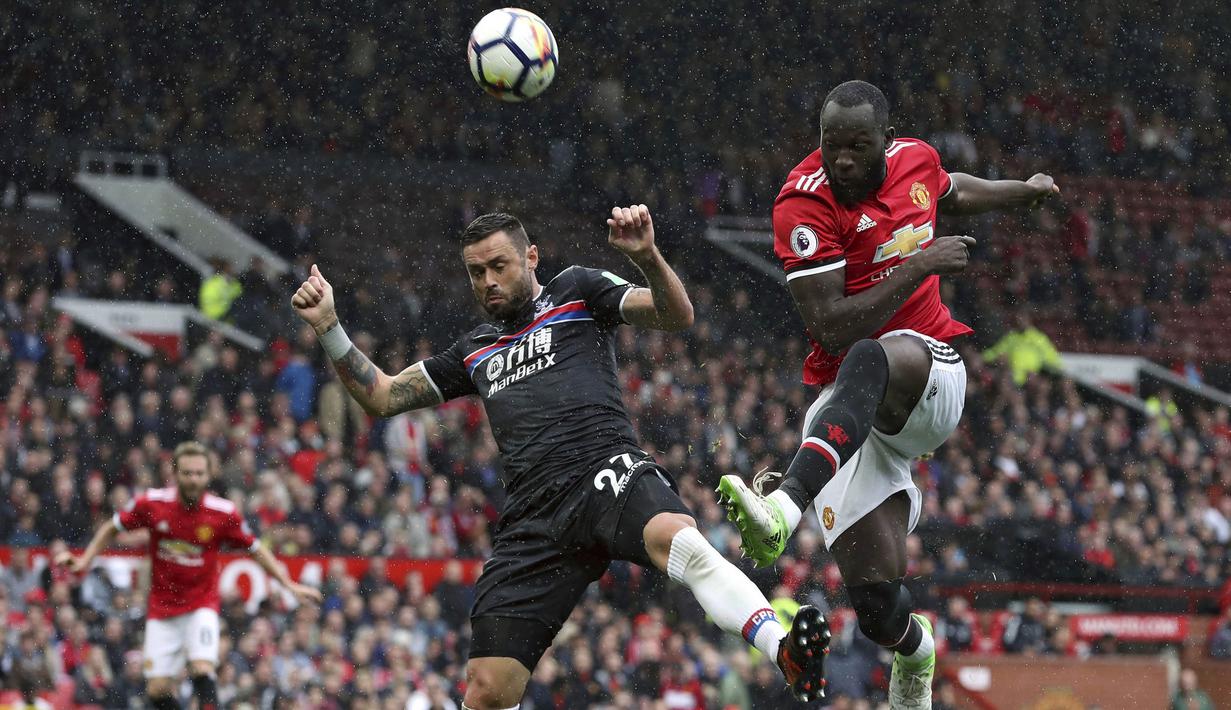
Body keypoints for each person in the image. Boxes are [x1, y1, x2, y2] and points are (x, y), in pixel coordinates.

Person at [291, 206, 826, 708]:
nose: (488, 282)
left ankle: (784, 650)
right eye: (476, 273)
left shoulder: (577, 289)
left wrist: (646, 257)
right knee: (487, 690)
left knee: (675, 537)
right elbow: (383, 396)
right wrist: (330, 328)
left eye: (498, 266)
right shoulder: (474, 349)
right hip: (533, 518)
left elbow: (675, 314)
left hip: (603, 469)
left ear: (530, 257)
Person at [717, 80, 1059, 707]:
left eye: (857, 145)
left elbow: (952, 189)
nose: (841, 158)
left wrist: (1023, 192)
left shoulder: (916, 161)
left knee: (874, 353)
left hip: (929, 374)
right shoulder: (802, 204)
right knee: (875, 604)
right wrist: (919, 265)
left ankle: (782, 511)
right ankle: (917, 653)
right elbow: (830, 326)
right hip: (854, 404)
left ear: (886, 141)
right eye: (830, 144)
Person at [57, 441, 322, 710]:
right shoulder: (152, 503)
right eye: (187, 473)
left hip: (201, 605)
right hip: (162, 609)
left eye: (199, 473)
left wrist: (289, 584)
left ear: (208, 475)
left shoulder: (223, 512)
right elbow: (112, 527)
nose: (193, 479)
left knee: (201, 668)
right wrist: (84, 560)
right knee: (157, 690)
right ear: (175, 474)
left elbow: (255, 549)